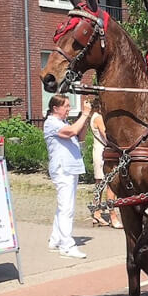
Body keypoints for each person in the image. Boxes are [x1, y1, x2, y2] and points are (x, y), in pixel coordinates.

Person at [44, 95, 91, 259]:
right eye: (66, 106)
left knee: (64, 206)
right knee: (67, 209)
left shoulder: (63, 122)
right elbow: (71, 132)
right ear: (55, 108)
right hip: (62, 169)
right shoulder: (51, 123)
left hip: (71, 168)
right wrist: (84, 114)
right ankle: (67, 245)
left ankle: (56, 239)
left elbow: (80, 136)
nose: (68, 109)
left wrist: (85, 119)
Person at [88, 102, 122, 229]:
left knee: (99, 184)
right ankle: (113, 216)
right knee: (110, 184)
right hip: (104, 153)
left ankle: (96, 213)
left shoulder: (94, 116)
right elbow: (106, 136)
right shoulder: (99, 118)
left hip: (98, 151)